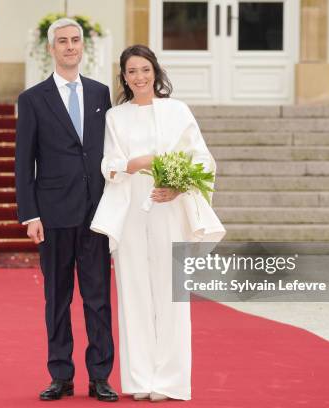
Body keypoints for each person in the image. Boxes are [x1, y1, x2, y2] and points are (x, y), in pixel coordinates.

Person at [90, 45, 226, 402]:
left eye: (145, 70)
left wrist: (179, 186)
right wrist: (136, 164)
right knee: (133, 295)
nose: (139, 77)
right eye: (131, 71)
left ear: (156, 72)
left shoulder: (178, 111)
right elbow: (109, 164)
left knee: (171, 298)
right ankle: (139, 380)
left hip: (170, 211)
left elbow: (203, 161)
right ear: (123, 77)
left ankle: (170, 381)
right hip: (132, 211)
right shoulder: (115, 117)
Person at [15, 18, 118, 402]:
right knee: (57, 300)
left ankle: (100, 376)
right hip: (53, 215)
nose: (70, 46)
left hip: (96, 214)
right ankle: (61, 375)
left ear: (81, 46)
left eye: (75, 40)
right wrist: (30, 214)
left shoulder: (100, 93)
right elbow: (24, 162)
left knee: (98, 299)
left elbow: (109, 151)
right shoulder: (32, 99)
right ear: (51, 48)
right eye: (63, 41)